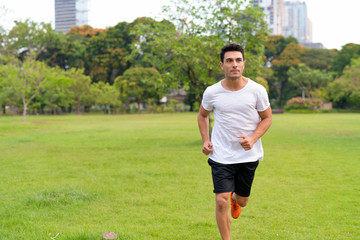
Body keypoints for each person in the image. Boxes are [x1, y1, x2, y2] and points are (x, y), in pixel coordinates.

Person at [197, 43, 272, 240]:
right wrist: (206, 140)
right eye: (229, 61)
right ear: (222, 65)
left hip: (248, 155)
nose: (234, 65)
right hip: (221, 154)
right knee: (221, 201)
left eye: (238, 60)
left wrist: (253, 138)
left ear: (244, 64)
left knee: (243, 200)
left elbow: (267, 118)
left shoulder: (257, 90)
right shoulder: (212, 92)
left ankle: (236, 200)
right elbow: (202, 115)